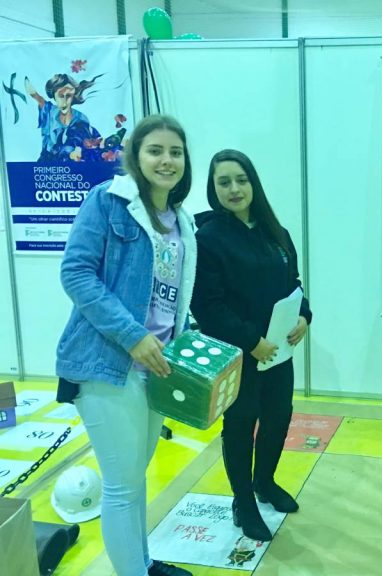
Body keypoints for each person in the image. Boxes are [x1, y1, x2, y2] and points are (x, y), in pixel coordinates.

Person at [55, 115, 196, 576]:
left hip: (158, 365)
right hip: (107, 364)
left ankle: (143, 563)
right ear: (135, 156)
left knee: (136, 478)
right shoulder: (108, 201)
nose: (166, 160)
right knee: (120, 485)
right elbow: (76, 273)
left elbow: (170, 298)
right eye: (155, 150)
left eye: (175, 152)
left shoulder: (181, 220)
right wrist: (132, 335)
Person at [191, 149, 312, 542]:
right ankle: (243, 502)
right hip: (238, 355)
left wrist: (304, 316)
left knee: (278, 417)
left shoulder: (275, 232)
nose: (234, 188)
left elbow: (294, 284)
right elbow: (206, 306)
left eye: (241, 180)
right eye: (224, 182)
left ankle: (265, 482)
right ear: (213, 188)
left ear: (253, 183)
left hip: (278, 351)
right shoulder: (208, 238)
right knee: (241, 426)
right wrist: (250, 341)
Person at [25, 73, 103, 162]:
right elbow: (40, 100)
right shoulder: (49, 112)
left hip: (72, 162)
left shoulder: (81, 118)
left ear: (73, 96)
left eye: (68, 96)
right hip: (46, 162)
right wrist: (34, 94)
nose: (65, 101)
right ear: (54, 96)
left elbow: (89, 143)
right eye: (61, 96)